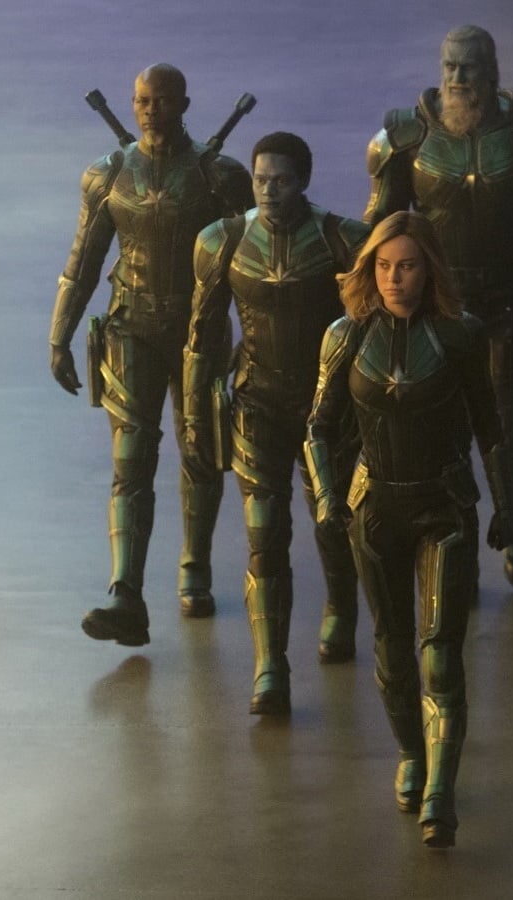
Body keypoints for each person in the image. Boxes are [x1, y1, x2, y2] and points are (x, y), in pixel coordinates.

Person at [304, 211, 513, 848]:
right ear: (370, 269)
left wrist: (507, 507)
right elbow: (318, 428)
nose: (395, 279)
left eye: (408, 266)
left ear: (430, 269)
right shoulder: (344, 335)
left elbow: (491, 427)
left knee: (440, 652)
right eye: (384, 266)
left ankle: (440, 795)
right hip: (373, 509)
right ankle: (412, 756)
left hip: (442, 507)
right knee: (393, 650)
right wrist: (326, 495)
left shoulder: (460, 334)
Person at [364, 24, 513, 588]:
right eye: (449, 67)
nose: (457, 78)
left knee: (509, 419)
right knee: (436, 420)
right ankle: (451, 540)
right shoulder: (407, 135)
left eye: (468, 67)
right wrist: (369, 296)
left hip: (504, 298)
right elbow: (381, 229)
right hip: (432, 299)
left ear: (491, 71)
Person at [49, 63, 253, 644]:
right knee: (131, 461)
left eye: (161, 101)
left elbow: (249, 265)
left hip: (198, 332)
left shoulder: (221, 177)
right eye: (142, 100)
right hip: (130, 329)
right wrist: (59, 335)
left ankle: (194, 568)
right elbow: (83, 262)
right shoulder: (108, 175)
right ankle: (125, 592)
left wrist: (257, 340)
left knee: (201, 450)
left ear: (183, 104)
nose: (149, 110)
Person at [183, 132, 369, 715]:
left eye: (280, 180)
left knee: (332, 521)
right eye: (260, 179)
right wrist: (194, 414)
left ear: (303, 181)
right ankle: (270, 666)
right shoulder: (223, 240)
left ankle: (341, 606)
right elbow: (201, 335)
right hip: (256, 403)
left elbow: (373, 327)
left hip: (325, 411)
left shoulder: (343, 239)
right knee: (264, 535)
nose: (268, 190)